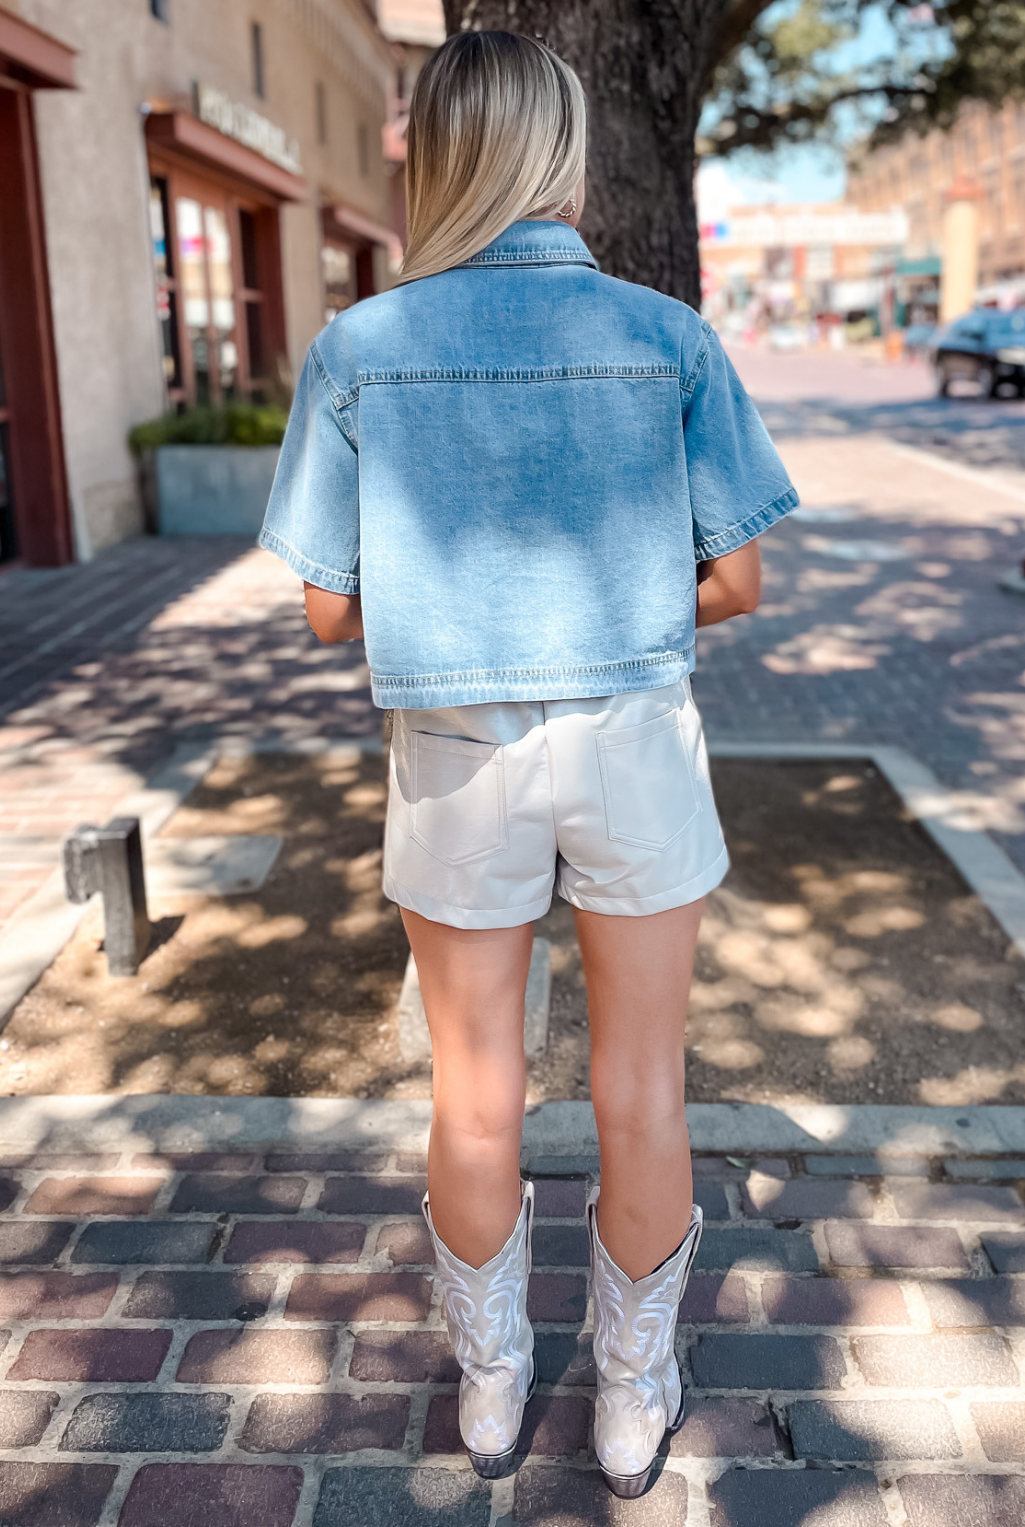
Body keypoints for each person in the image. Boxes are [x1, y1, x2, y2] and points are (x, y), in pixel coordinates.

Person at [260, 30, 797, 1498]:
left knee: (476, 1090)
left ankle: (492, 1389)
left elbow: (327, 606)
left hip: (453, 755)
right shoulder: (669, 335)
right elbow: (740, 583)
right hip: (630, 736)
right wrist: (606, 600)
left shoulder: (363, 345)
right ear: (559, 152)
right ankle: (632, 1394)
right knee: (643, 1086)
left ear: (436, 152)